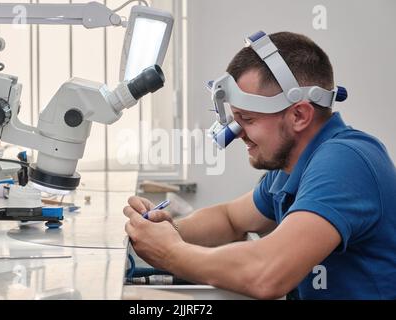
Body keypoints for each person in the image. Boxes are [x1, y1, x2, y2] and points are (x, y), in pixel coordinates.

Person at [123, 31, 396, 299]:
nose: (237, 133)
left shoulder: (345, 162)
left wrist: (170, 253)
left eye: (248, 119)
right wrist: (166, 230)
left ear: (299, 115)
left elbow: (266, 273)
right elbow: (230, 219)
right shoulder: (290, 167)